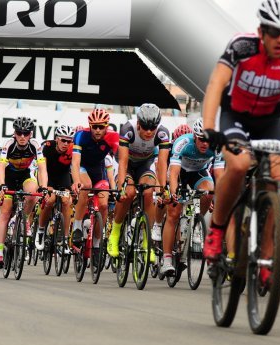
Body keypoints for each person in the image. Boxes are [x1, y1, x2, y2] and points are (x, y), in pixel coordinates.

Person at [202, 0, 280, 271]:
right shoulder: (241, 46)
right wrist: (210, 127)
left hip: (269, 122)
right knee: (237, 165)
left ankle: (267, 257)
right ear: (261, 31)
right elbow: (215, 85)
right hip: (235, 117)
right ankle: (217, 229)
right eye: (274, 32)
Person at [107, 104, 171, 263]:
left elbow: (162, 163)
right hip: (127, 164)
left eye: (153, 128)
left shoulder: (163, 133)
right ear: (138, 124)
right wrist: (121, 186)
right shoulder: (128, 130)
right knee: (128, 193)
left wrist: (163, 189)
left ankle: (146, 242)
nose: (149, 132)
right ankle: (114, 234)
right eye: (145, 127)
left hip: (145, 164)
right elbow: (122, 162)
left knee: (149, 192)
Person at [161, 118, 215, 276]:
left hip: (198, 173)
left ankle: (194, 221)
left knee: (209, 192)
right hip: (180, 172)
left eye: (208, 140)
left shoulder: (217, 147)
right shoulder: (183, 143)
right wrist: (173, 193)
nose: (205, 144)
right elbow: (174, 173)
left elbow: (220, 174)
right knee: (174, 212)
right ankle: (167, 259)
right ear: (194, 137)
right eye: (201, 139)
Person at [0, 116, 48, 268]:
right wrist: (3, 185)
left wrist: (44, 187)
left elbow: (42, 168)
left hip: (25, 175)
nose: (22, 136)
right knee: (5, 212)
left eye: (26, 133)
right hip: (9, 178)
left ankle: (24, 220)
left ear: (31, 134)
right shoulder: (9, 144)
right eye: (19, 133)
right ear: (15, 133)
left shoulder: (35, 145)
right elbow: (0, 167)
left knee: (33, 193)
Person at [70, 109, 120, 248]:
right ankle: (77, 227)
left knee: (104, 205)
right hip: (83, 167)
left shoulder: (113, 136)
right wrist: (76, 181)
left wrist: (120, 183)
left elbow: (121, 160)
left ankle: (97, 243)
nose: (98, 130)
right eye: (94, 127)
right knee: (85, 185)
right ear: (90, 126)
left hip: (99, 169)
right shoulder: (81, 135)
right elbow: (75, 162)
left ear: (107, 126)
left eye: (101, 127)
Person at [35, 124, 76, 251]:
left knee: (66, 201)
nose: (66, 143)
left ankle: (64, 238)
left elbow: (75, 168)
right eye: (63, 140)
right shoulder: (47, 146)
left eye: (69, 141)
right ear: (57, 139)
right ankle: (41, 230)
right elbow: (42, 170)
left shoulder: (73, 149)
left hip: (63, 176)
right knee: (50, 200)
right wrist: (44, 187)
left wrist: (75, 185)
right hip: (48, 175)